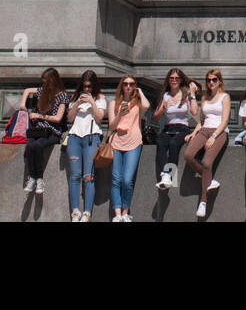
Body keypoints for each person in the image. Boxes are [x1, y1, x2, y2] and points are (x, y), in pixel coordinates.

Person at [183, 69, 230, 217]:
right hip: (204, 130)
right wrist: (194, 132)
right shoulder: (205, 98)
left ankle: (203, 202)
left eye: (214, 80)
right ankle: (209, 180)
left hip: (219, 132)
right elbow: (202, 121)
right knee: (188, 155)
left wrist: (214, 136)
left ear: (219, 81)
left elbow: (225, 120)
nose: (211, 82)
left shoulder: (225, 97)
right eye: (209, 80)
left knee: (207, 163)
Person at [19, 68, 69, 195]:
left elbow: (58, 118)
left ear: (53, 81)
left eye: (46, 82)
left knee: (38, 145)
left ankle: (39, 178)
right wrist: (23, 104)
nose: (44, 84)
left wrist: (39, 116)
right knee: (30, 145)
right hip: (38, 129)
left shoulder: (62, 95)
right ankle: (32, 178)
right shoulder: (42, 91)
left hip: (52, 130)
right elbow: (27, 90)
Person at [66, 70, 108, 221]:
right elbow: (70, 119)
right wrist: (77, 103)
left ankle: (87, 212)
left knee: (89, 176)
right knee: (75, 175)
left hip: (91, 137)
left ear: (94, 86)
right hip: (75, 137)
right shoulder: (75, 98)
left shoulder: (100, 98)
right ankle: (75, 210)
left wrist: (91, 102)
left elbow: (99, 118)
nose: (87, 89)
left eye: (90, 86)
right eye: (84, 86)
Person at [108, 75, 150, 222]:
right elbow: (112, 126)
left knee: (127, 179)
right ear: (121, 86)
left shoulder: (138, 102)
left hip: (133, 142)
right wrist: (120, 114)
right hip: (117, 143)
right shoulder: (114, 103)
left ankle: (126, 212)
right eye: (125, 84)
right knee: (115, 179)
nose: (128, 86)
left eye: (131, 84)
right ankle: (118, 214)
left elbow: (147, 106)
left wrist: (140, 92)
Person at [153, 68, 197, 190]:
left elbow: (194, 111)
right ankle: (165, 174)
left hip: (182, 128)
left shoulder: (185, 94)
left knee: (173, 144)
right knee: (161, 142)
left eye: (176, 78)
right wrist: (163, 107)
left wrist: (192, 94)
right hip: (168, 128)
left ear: (181, 80)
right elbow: (156, 117)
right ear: (168, 80)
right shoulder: (165, 95)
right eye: (171, 78)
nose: (174, 80)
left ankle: (169, 174)